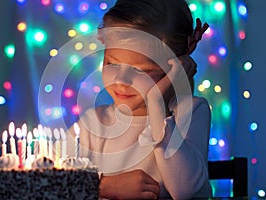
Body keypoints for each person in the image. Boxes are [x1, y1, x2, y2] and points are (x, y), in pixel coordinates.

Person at [66, 0, 211, 199]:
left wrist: (156, 103)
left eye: (140, 70)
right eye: (112, 63)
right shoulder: (93, 124)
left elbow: (184, 191)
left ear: (174, 68)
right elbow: (51, 183)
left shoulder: (192, 111)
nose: (121, 80)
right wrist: (103, 186)